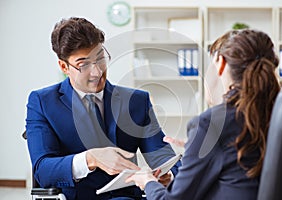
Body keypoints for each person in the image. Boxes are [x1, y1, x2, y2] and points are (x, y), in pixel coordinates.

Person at [25, 17, 181, 200]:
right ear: (63, 66)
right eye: (83, 65)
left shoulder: (137, 101)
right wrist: (90, 159)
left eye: (100, 58)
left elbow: (161, 156)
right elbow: (43, 171)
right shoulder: (42, 102)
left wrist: (168, 176)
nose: (97, 72)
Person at [126, 29, 281, 199]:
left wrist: (148, 183)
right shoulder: (281, 113)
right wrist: (197, 151)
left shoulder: (212, 124)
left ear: (220, 63)